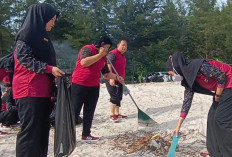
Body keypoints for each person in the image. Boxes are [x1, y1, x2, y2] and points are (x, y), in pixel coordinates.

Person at [12, 3, 64, 157]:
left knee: (42, 131)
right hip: (29, 90)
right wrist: (50, 69)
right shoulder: (26, 35)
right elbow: (25, 60)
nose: (53, 23)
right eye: (52, 19)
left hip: (42, 91)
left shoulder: (43, 38)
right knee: (30, 132)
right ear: (42, 17)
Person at [166, 52, 232, 157]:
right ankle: (215, 153)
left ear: (177, 68)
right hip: (221, 90)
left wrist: (218, 96)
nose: (173, 77)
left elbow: (221, 75)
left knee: (221, 120)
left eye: (172, 74)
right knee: (211, 118)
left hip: (229, 84)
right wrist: (178, 127)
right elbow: (186, 103)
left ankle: (228, 153)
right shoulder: (188, 79)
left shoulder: (198, 66)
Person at [71, 36, 124, 141]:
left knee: (89, 111)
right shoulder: (88, 49)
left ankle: (86, 134)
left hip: (94, 86)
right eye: (106, 46)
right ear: (101, 44)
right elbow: (84, 62)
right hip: (80, 84)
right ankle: (67, 135)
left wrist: (117, 77)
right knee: (74, 110)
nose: (107, 49)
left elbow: (106, 73)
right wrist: (99, 55)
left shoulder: (104, 57)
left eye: (109, 47)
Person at [105, 39, 128, 122]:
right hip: (111, 79)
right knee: (114, 96)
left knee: (119, 96)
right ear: (118, 45)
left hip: (120, 79)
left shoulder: (123, 56)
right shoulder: (113, 54)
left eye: (125, 45)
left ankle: (117, 113)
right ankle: (112, 114)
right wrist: (111, 78)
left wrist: (123, 80)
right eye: (123, 45)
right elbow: (108, 65)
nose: (124, 47)